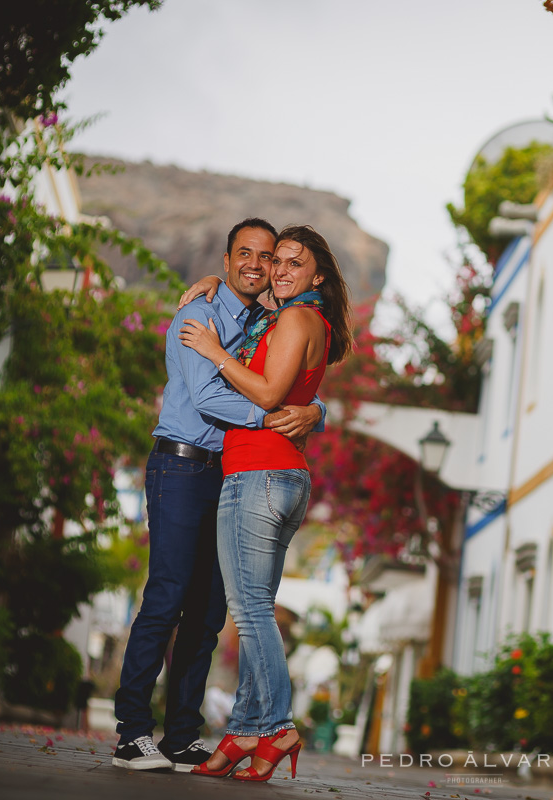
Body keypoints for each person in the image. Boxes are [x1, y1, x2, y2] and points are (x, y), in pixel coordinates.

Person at [112, 218, 326, 772]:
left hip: (230, 475)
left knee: (208, 614)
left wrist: (315, 411)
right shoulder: (195, 316)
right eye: (246, 255)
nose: (259, 265)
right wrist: (273, 415)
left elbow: (300, 366)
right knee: (166, 598)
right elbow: (208, 397)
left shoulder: (269, 318)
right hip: (181, 468)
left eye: (268, 256)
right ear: (227, 261)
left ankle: (181, 734)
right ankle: (131, 732)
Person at [177, 224, 352, 782]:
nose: (279, 269)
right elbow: (296, 392)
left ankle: (275, 724)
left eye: (293, 263)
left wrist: (211, 351)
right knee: (256, 609)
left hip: (258, 472)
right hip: (282, 474)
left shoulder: (297, 318)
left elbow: (271, 393)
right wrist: (215, 278)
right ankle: (248, 728)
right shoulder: (300, 317)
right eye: (277, 260)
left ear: (316, 275)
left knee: (252, 612)